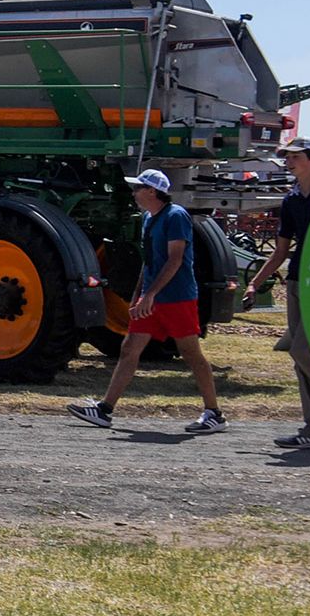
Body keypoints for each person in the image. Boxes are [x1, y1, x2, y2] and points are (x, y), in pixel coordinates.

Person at [67, 169, 227, 434]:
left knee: (190, 353)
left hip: (177, 298)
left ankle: (214, 413)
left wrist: (150, 294)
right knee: (130, 348)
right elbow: (149, 261)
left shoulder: (176, 216)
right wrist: (139, 294)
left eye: (138, 188)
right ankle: (105, 410)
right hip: (153, 299)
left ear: (152, 192)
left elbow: (175, 260)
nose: (134, 193)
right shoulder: (148, 218)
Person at [245, 137, 310, 450]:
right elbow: (279, 252)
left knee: (301, 351)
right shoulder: (290, 200)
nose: (289, 161)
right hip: (296, 281)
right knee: (300, 359)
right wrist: (255, 282)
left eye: (295, 156)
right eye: (286, 157)